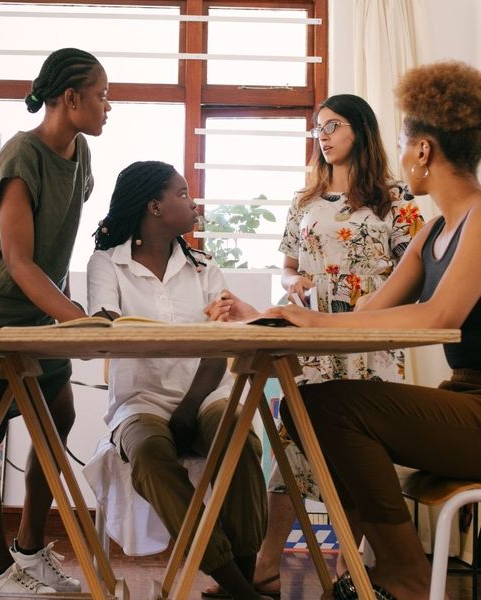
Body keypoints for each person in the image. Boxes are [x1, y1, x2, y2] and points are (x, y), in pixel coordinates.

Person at [207, 60, 481, 600]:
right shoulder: (435, 232)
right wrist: (264, 314)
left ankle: (401, 574)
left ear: (423, 150)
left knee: (332, 408)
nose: (402, 155)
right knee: (317, 407)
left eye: (405, 143)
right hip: (464, 398)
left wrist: (308, 318)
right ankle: (386, 572)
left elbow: (438, 318)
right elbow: (369, 315)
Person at [0, 47, 111, 598]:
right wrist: (80, 320)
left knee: (57, 417)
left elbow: (61, 240)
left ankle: (29, 552)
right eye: (102, 95)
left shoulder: (82, 154)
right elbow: (17, 260)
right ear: (71, 99)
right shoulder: (20, 156)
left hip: (42, 308)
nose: (108, 106)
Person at [87, 160, 269, 600]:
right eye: (183, 194)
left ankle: (235, 585)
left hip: (205, 397)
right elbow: (107, 332)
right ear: (154, 206)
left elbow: (216, 351)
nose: (193, 203)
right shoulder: (108, 265)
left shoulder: (204, 266)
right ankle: (239, 587)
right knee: (149, 455)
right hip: (140, 401)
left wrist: (188, 407)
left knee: (240, 442)